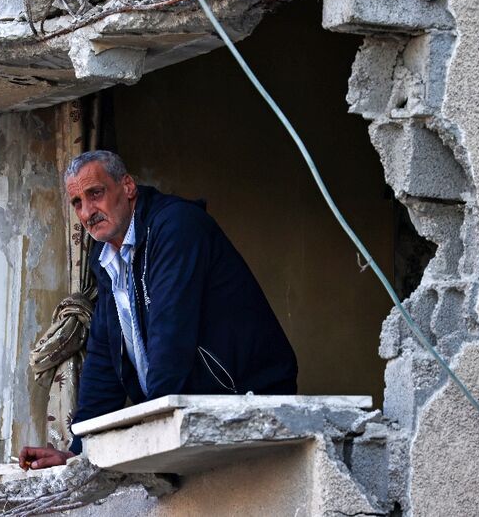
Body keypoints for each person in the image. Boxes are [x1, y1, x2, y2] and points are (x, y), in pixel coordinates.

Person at [19, 151, 297, 470]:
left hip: (247, 397)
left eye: (95, 193)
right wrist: (79, 451)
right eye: (77, 202)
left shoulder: (175, 226)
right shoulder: (106, 256)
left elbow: (171, 333)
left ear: (127, 187)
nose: (87, 211)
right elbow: (105, 360)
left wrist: (153, 435)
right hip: (193, 413)